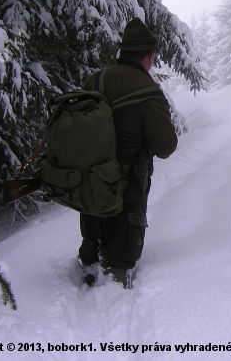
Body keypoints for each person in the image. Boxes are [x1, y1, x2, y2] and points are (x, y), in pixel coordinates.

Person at [77, 18, 178, 288]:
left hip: (89, 180)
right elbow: (166, 146)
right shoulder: (149, 92)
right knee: (119, 257)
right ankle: (115, 286)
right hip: (129, 183)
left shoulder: (94, 79)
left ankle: (89, 265)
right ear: (148, 56)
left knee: (93, 236)